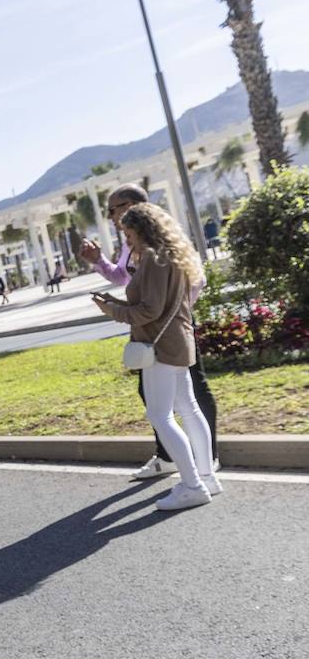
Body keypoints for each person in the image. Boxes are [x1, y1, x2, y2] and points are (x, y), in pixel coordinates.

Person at [80, 184, 219, 480]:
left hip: (162, 334)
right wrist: (100, 265)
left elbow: (157, 304)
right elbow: (129, 280)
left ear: (133, 208)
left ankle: (194, 481)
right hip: (171, 330)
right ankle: (201, 473)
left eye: (115, 210)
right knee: (185, 404)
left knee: (166, 411)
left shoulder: (154, 255)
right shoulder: (159, 246)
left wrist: (116, 310)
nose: (113, 219)